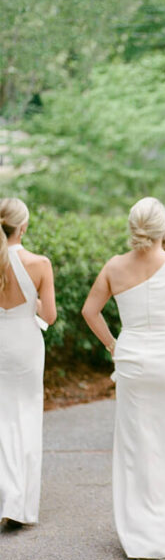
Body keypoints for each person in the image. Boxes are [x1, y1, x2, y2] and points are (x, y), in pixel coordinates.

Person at [81, 197, 165, 558]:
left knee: (138, 441)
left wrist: (113, 345)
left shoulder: (114, 266)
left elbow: (90, 311)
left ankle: (140, 526)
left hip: (132, 359)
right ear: (164, 228)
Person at [0, 198, 55, 528]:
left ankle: (5, 493)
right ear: (24, 226)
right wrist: (31, 301)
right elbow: (48, 315)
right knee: (27, 416)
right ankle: (20, 504)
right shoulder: (39, 263)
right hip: (25, 341)